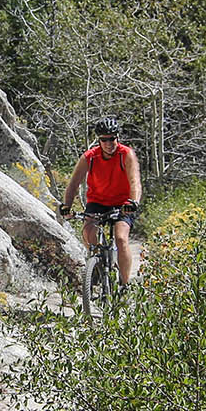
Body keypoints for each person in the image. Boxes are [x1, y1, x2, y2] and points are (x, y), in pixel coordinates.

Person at [59, 116, 142, 289]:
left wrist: (133, 202)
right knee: (89, 234)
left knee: (120, 238)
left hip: (123, 204)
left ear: (117, 137)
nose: (108, 143)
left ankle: (125, 284)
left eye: (112, 138)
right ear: (99, 140)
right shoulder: (90, 157)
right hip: (97, 202)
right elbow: (74, 183)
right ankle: (97, 265)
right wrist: (67, 205)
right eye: (104, 139)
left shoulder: (126, 154)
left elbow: (135, 182)